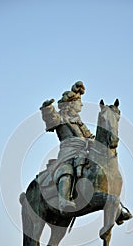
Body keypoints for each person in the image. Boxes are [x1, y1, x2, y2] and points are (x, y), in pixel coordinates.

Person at [40, 81, 94, 213]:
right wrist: (47, 108)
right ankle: (64, 200)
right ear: (71, 103)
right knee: (67, 169)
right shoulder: (61, 118)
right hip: (68, 152)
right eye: (78, 101)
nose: (81, 104)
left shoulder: (79, 122)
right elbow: (51, 118)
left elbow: (90, 136)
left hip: (83, 151)